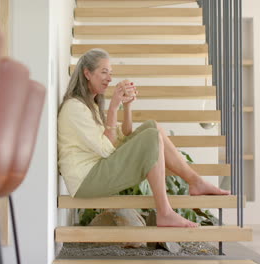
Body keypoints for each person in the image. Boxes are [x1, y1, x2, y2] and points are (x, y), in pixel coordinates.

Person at [58, 48, 230, 228]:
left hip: (96, 170)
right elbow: (107, 149)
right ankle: (165, 212)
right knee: (151, 136)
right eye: (104, 72)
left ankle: (196, 182)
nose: (109, 78)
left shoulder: (90, 106)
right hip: (86, 180)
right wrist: (114, 109)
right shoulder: (75, 108)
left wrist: (128, 106)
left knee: (152, 126)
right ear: (87, 73)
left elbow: (124, 137)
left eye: (111, 73)